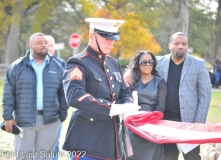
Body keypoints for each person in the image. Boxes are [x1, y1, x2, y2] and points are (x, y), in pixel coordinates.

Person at [124, 32, 212, 160]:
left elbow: (205, 94)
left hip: (189, 122)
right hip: (165, 121)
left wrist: (199, 121)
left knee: (192, 157)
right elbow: (140, 64)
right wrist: (128, 73)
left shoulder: (198, 64)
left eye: (184, 44)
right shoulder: (159, 62)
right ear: (170, 45)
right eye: (177, 43)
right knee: (168, 157)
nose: (180, 46)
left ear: (187, 46)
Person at [62, 18, 134, 160]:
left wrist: (128, 105)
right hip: (87, 141)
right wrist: (110, 108)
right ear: (92, 35)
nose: (111, 41)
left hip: (112, 143)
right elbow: (74, 95)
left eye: (113, 38)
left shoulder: (113, 63)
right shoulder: (78, 62)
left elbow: (124, 91)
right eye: (106, 37)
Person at [2, 32, 69, 160]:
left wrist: (61, 115)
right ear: (31, 45)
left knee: (45, 157)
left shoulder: (58, 66)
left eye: (46, 43)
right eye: (39, 43)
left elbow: (64, 93)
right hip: (24, 121)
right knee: (24, 157)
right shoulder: (17, 66)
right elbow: (8, 93)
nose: (44, 45)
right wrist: (8, 117)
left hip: (50, 121)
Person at [125, 50, 167, 160]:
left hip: (152, 126)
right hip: (132, 125)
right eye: (144, 62)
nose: (148, 64)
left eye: (151, 62)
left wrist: (147, 122)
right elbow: (125, 100)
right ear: (137, 64)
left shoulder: (160, 82)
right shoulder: (131, 81)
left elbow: (160, 108)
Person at [46, 35, 66, 160]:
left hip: (56, 112)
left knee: (54, 143)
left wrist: (62, 112)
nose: (49, 48)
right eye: (46, 44)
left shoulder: (61, 64)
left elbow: (64, 90)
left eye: (52, 45)